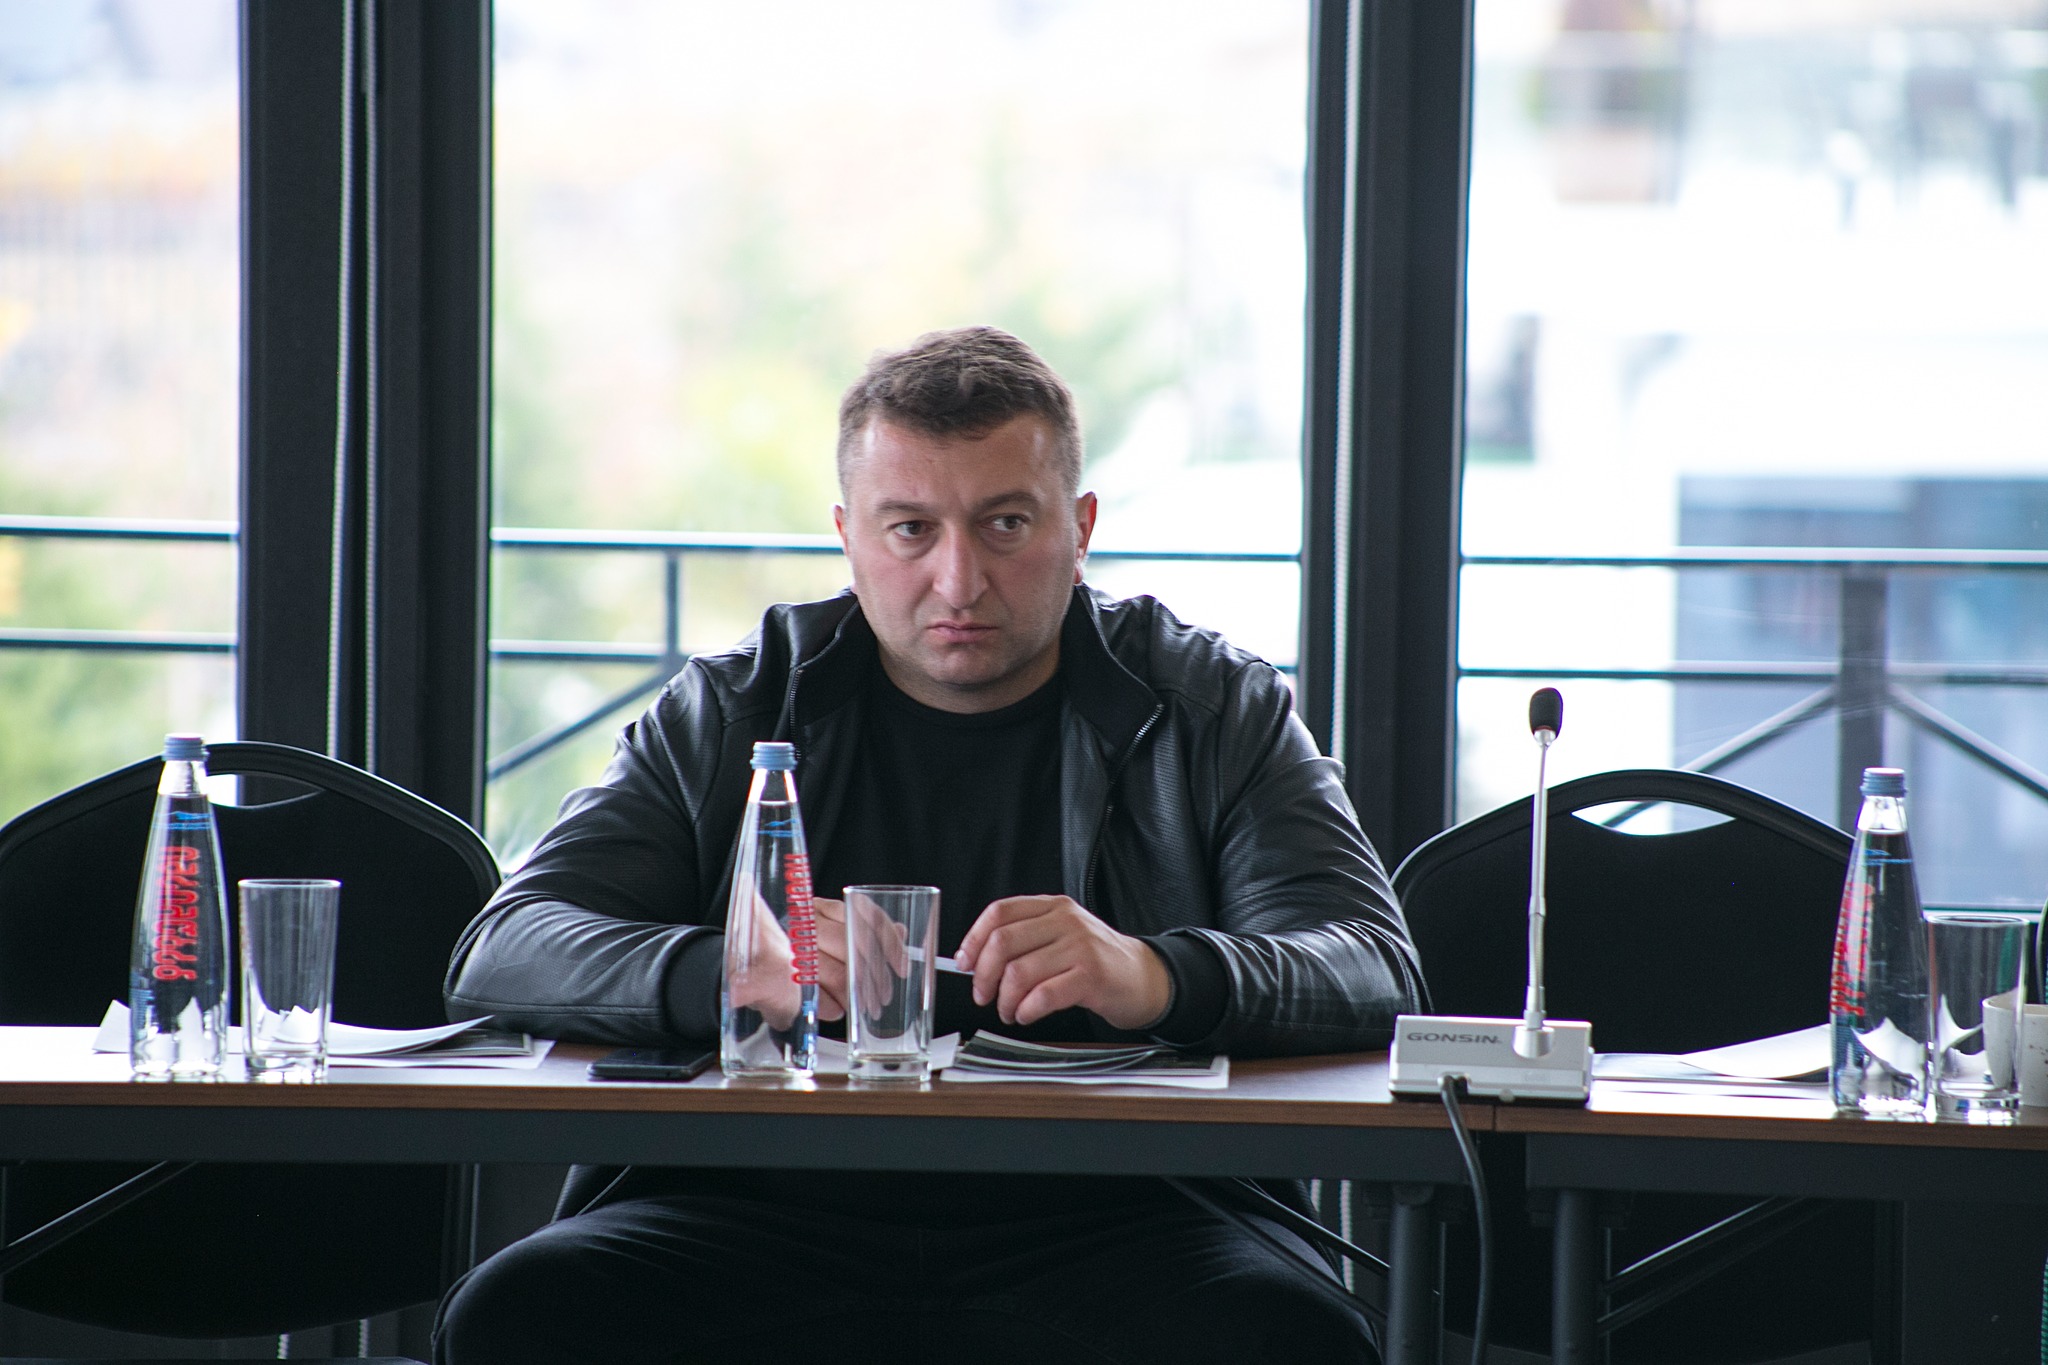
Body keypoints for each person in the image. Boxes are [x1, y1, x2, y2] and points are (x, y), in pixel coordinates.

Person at [434, 326, 1424, 1364]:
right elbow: (503, 948)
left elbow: (1373, 966)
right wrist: (732, 970)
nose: (959, 580)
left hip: (1139, 1208)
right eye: (910, 529)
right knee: (522, 1314)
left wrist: (1156, 974)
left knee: (1284, 1337)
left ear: (1080, 527)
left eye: (1006, 524)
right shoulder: (735, 705)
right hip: (749, 1201)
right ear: (847, 536)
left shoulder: (1212, 707)